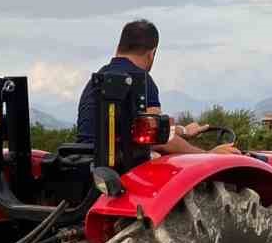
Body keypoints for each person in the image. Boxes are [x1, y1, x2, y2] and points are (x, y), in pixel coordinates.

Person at [75, 20, 239, 155]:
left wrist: (182, 131)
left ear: (118, 48)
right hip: (120, 169)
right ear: (152, 53)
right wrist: (207, 155)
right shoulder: (141, 80)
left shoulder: (96, 80)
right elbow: (159, 139)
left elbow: (133, 126)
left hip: (86, 164)